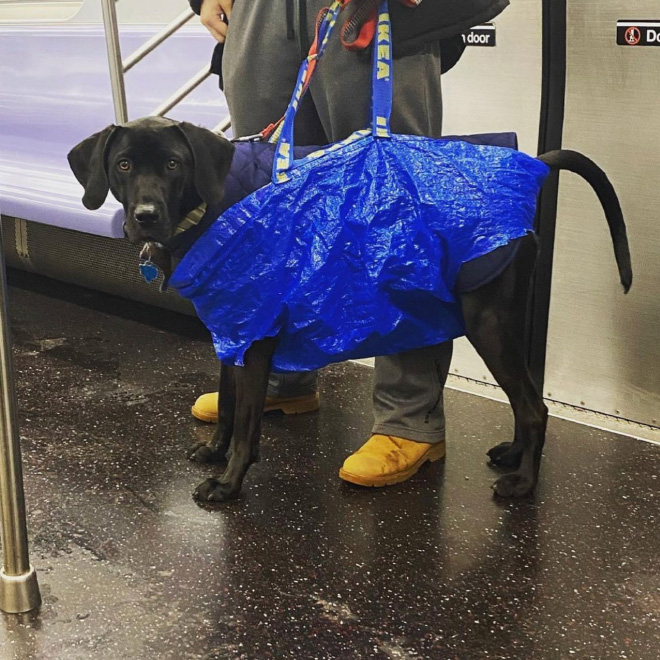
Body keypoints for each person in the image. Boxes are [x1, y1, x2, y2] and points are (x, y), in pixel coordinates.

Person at [188, 0, 509, 487]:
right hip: (259, 14)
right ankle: (283, 378)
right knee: (269, 213)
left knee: (394, 214)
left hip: (371, 11)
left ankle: (409, 418)